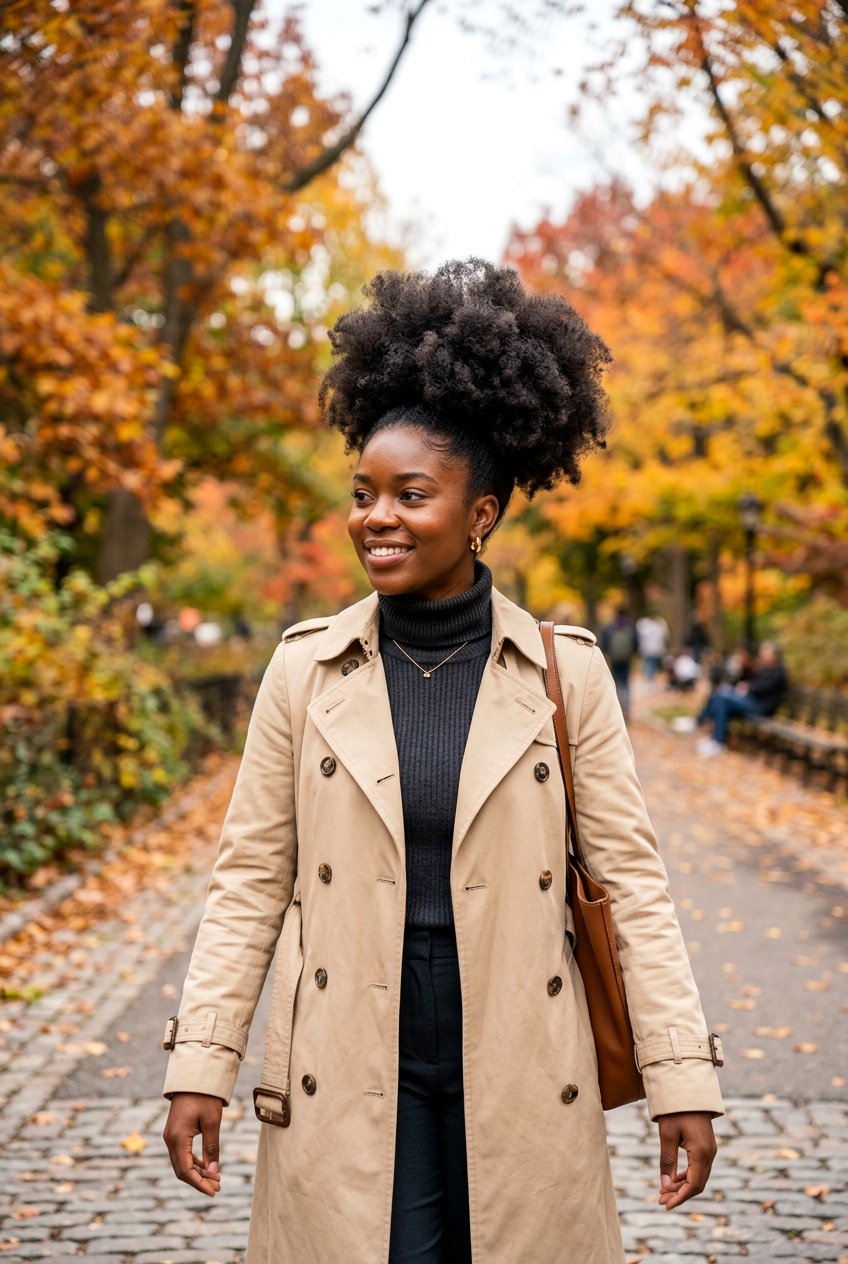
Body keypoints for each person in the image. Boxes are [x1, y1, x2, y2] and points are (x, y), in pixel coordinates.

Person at [162, 260, 723, 1264]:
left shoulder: (565, 675)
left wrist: (678, 1080)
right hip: (345, 1059)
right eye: (363, 492)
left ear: (482, 512)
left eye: (409, 494)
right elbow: (249, 883)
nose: (374, 516)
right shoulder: (305, 671)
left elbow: (632, 887)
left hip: (520, 1058)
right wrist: (199, 1064)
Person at [696, 641, 787, 756]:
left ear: (774, 655)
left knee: (723, 696)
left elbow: (764, 686)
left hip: (762, 708)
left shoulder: (778, 672)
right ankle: (715, 739)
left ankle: (712, 735)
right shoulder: (764, 669)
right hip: (752, 702)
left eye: (765, 652)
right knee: (722, 700)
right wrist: (744, 670)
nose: (762, 654)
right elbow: (748, 679)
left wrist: (748, 687)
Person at [600, 606, 637, 718]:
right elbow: (636, 644)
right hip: (627, 659)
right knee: (625, 684)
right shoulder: (630, 627)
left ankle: (617, 711)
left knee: (615, 683)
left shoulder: (609, 627)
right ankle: (626, 709)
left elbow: (604, 644)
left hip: (614, 659)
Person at [635, 611, 669, 684]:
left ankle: (650, 679)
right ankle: (649, 680)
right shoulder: (645, 623)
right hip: (649, 649)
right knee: (649, 664)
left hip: (655, 649)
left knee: (653, 665)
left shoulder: (660, 623)